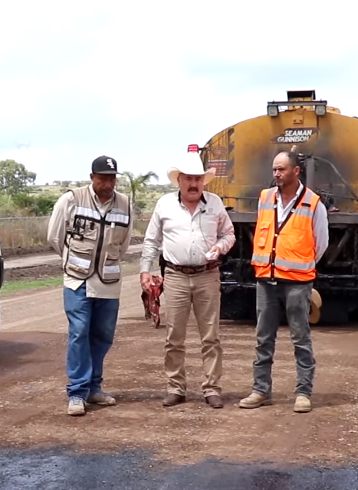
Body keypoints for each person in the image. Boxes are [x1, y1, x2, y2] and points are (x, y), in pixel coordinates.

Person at [140, 150, 234, 409]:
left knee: (211, 336)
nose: (193, 184)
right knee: (174, 337)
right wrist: (145, 270)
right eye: (188, 179)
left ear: (204, 181)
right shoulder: (165, 204)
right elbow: (151, 240)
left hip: (208, 275)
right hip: (176, 277)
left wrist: (220, 247)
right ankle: (176, 387)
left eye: (198, 179)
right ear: (179, 180)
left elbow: (229, 234)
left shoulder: (214, 203)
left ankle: (212, 388)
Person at [238, 151, 329, 414]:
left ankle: (303, 393)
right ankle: (260, 390)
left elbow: (320, 244)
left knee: (301, 338)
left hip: (297, 283)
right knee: (263, 338)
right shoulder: (265, 198)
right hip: (266, 279)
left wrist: (297, 264)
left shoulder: (314, 204)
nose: (276, 174)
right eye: (274, 169)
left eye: (281, 169)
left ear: (296, 171)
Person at [47, 155, 133, 416]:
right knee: (79, 333)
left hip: (108, 282)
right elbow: (54, 236)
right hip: (78, 279)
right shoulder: (72, 199)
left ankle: (94, 387)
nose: (108, 183)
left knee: (103, 336)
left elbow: (125, 242)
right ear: (92, 177)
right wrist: (73, 261)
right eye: (103, 178)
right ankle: (77, 391)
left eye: (112, 178)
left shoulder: (124, 204)